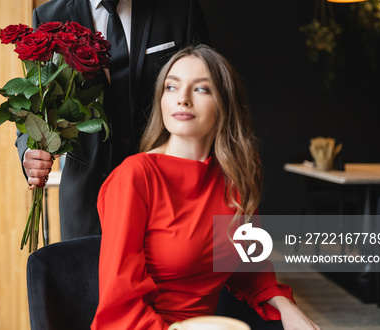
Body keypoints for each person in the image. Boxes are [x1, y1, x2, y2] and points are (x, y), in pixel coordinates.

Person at [17, 0, 210, 240]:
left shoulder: (180, 5)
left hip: (171, 202)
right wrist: (30, 151)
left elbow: (211, 98)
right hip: (87, 211)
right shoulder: (49, 19)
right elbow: (34, 108)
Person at [91, 45, 320, 329]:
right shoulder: (135, 177)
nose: (182, 99)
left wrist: (285, 306)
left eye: (201, 89)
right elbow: (120, 306)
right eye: (171, 87)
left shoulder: (234, 177)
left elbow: (248, 267)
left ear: (225, 103)